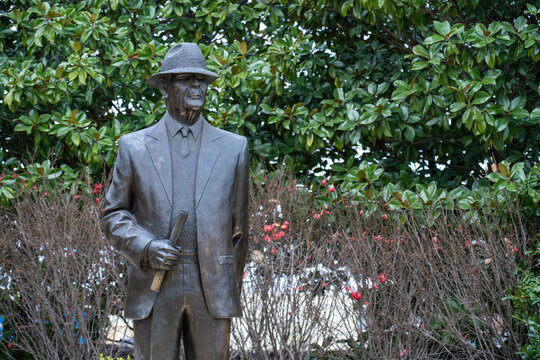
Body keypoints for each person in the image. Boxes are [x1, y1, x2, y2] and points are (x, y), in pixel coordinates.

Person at [102, 42, 249, 360]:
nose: (197, 86)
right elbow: (113, 213)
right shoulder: (135, 147)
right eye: (186, 78)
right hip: (155, 283)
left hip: (212, 286)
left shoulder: (234, 149)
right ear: (165, 87)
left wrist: (226, 281)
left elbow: (240, 231)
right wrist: (146, 247)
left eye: (202, 80)